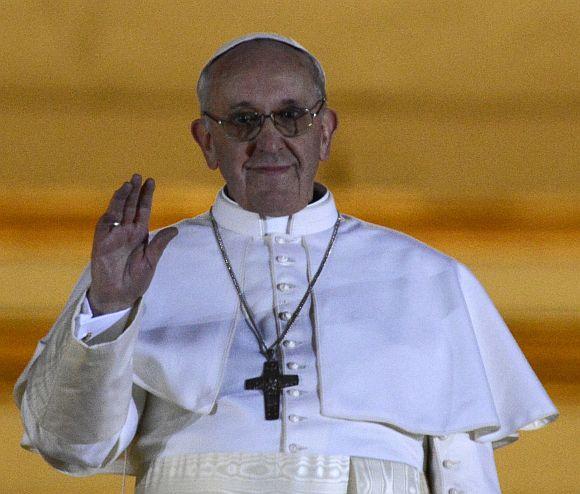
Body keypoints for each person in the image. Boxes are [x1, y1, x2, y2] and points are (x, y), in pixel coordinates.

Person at [14, 33, 558, 494]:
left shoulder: (429, 277)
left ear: (325, 131)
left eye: (291, 116)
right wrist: (109, 307)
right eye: (243, 121)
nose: (269, 140)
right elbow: (73, 448)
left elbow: (464, 470)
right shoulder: (136, 270)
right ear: (207, 141)